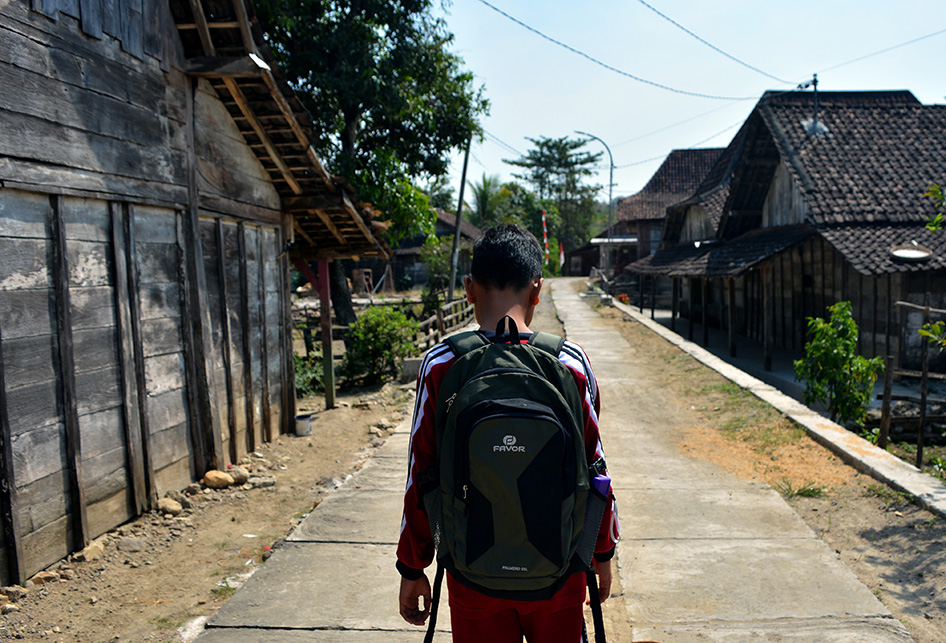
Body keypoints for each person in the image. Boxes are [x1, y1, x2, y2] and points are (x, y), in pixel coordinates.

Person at [396, 224, 619, 643]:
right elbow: (597, 471)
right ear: (537, 290)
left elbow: (420, 474)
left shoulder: (442, 364)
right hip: (560, 571)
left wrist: (413, 567)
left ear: (468, 289)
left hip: (470, 573)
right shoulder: (570, 363)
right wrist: (602, 552)